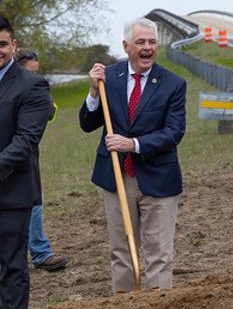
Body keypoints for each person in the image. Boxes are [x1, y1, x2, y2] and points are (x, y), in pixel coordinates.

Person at [79, 17, 186, 293]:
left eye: (152, 42)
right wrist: (93, 92)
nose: (147, 48)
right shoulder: (108, 78)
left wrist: (133, 144)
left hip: (158, 178)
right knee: (122, 252)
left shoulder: (173, 84)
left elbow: (174, 132)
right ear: (126, 46)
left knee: (158, 253)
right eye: (140, 42)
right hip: (116, 177)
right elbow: (87, 124)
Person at [0, 15, 52, 309]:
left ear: (13, 45)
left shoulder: (33, 85)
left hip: (11, 193)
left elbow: (25, 141)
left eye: (2, 44)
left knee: (10, 265)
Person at [15, 49, 68, 271]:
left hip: (27, 156)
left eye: (36, 72)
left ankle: (40, 252)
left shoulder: (35, 89)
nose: (34, 76)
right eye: (30, 72)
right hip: (10, 155)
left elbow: (50, 113)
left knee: (34, 201)